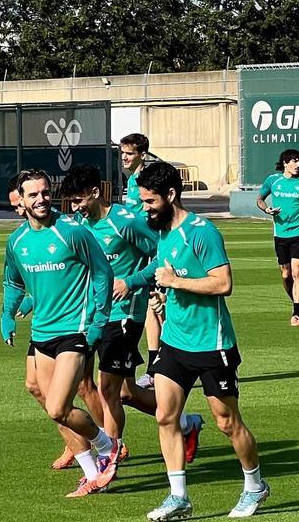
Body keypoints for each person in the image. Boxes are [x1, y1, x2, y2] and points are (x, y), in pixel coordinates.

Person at [134, 161, 268, 522]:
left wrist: (175, 283)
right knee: (165, 415)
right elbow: (166, 274)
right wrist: (160, 295)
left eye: (150, 201)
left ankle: (255, 485)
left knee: (227, 422)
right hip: (175, 341)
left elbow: (223, 283)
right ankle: (178, 497)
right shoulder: (163, 232)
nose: (145, 208)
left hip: (212, 343)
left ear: (171, 195)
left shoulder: (202, 232)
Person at [60, 165, 206, 462]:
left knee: (108, 390)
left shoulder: (124, 222)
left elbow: (161, 253)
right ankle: (186, 423)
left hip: (124, 314)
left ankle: (108, 460)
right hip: (91, 316)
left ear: (95, 193)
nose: (75, 208)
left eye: (78, 200)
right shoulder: (80, 225)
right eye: (71, 202)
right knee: (122, 392)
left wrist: (133, 282)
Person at [0, 169, 120, 497]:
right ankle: (92, 475)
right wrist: (7, 315)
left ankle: (108, 445)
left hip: (75, 330)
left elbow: (102, 272)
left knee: (58, 408)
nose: (41, 199)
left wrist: (98, 321)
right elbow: (13, 281)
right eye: (33, 195)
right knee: (48, 403)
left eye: (45, 192)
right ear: (21, 200)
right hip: (41, 333)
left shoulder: (71, 231)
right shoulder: (17, 242)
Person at [121, 133, 165, 388]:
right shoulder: (131, 181)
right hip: (140, 251)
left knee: (161, 310)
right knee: (152, 310)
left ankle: (162, 367)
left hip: (153, 249)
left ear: (142, 155)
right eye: (123, 153)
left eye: (129, 153)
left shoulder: (148, 179)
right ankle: (155, 368)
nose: (124, 157)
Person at [257, 149, 299, 326]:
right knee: (285, 275)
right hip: (280, 233)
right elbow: (260, 199)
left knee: (296, 272)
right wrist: (267, 209)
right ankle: (296, 303)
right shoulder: (273, 180)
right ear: (285, 163)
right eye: (294, 161)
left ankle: (296, 313)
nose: (298, 165)